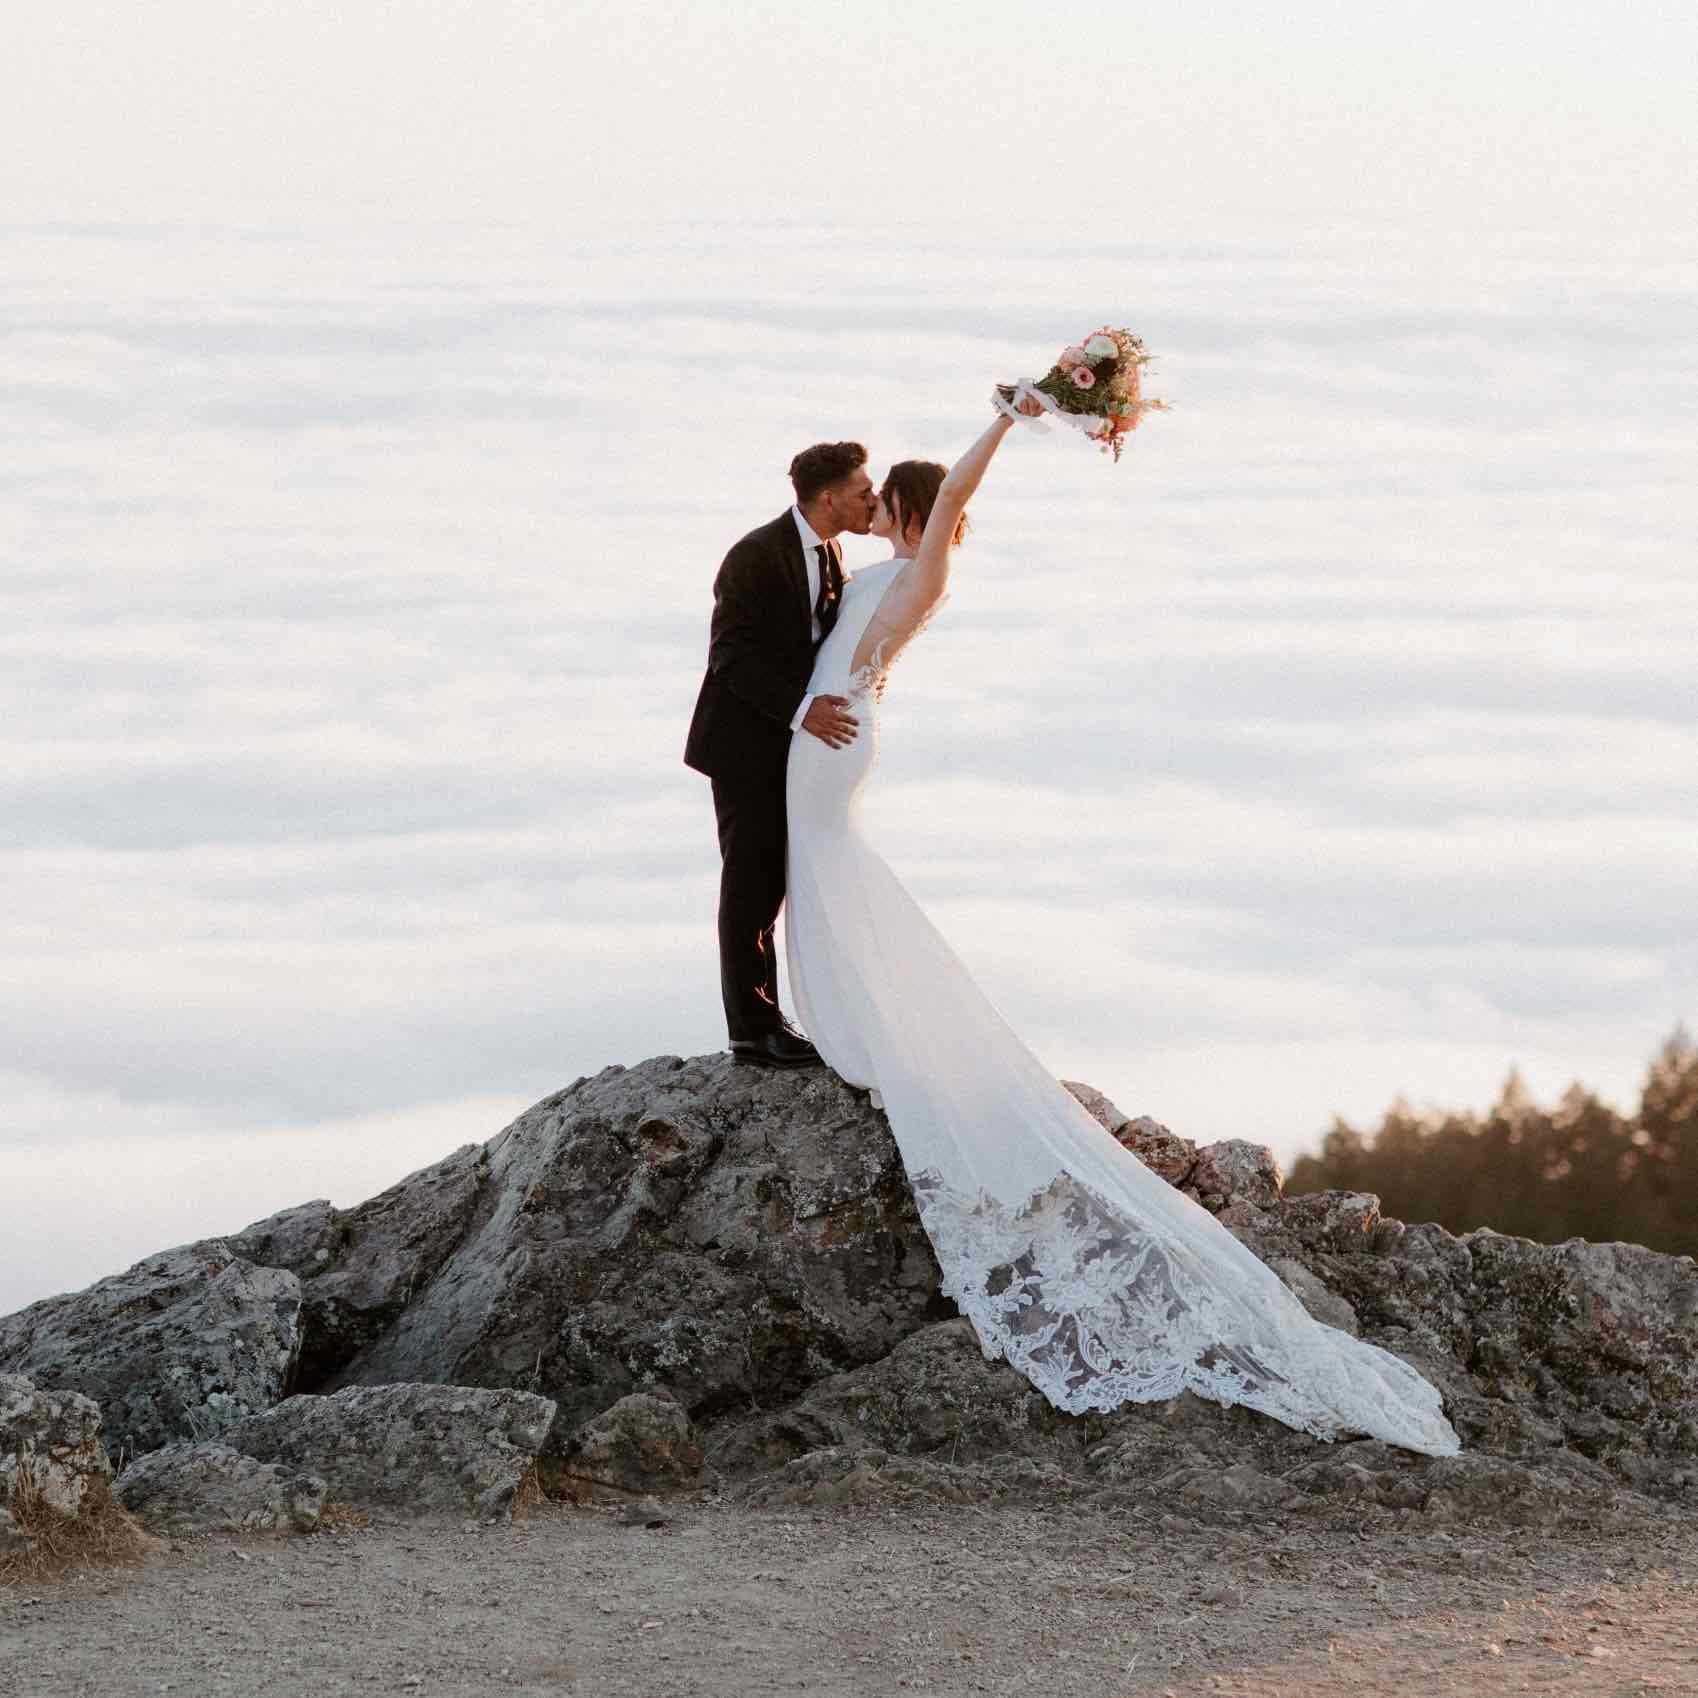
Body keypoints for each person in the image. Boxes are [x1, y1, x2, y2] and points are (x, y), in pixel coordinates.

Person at [782, 402, 1462, 1455]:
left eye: (888, 503)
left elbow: (954, 495)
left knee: (829, 867)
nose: (872, 512)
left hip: (834, 746)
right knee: (828, 875)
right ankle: (856, 1024)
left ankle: (866, 1031)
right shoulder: (874, 570)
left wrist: (1007, 419)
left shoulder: (925, 571)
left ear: (911, 509)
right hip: (824, 735)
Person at [684, 441, 875, 1068]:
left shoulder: (832, 552)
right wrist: (802, 709)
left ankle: (770, 1019)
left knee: (776, 882)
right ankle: (751, 1030)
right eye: (862, 492)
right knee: (750, 885)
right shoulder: (755, 555)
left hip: (790, 745)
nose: (872, 499)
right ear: (829, 498)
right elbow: (729, 656)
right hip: (743, 746)